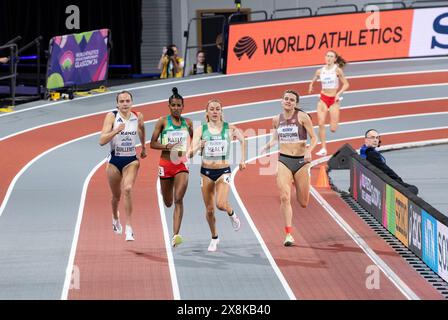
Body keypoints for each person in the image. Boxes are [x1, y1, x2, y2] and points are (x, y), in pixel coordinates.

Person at [260, 90, 317, 246]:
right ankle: (288, 235)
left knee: (303, 202)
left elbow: (314, 138)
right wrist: (266, 146)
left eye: (292, 100)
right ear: (281, 101)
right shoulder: (276, 119)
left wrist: (308, 151)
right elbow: (275, 138)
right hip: (284, 160)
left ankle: (303, 181)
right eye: (286, 99)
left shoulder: (302, 117)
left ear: (296, 103)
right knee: (285, 196)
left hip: (301, 162)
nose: (288, 101)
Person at [188, 99, 246, 252]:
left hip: (223, 171)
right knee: (209, 210)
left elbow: (242, 139)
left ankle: (232, 213)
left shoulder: (229, 128)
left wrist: (242, 160)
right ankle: (214, 237)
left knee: (220, 204)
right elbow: (189, 153)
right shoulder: (201, 130)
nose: (214, 111)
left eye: (217, 109)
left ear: (221, 111)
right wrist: (198, 147)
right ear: (206, 112)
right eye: (211, 109)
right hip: (206, 172)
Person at [99, 91, 147, 241]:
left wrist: (144, 147)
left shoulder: (137, 116)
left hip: (131, 159)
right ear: (117, 104)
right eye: (122, 101)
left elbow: (141, 131)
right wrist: (116, 130)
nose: (125, 103)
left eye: (127, 101)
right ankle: (115, 218)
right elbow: (101, 141)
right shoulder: (112, 116)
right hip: (114, 160)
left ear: (132, 102)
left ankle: (129, 228)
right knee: (116, 196)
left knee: (127, 189)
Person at [150, 87, 193, 247]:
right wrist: (167, 146)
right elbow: (152, 143)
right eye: (173, 105)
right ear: (169, 106)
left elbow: (195, 141)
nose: (176, 108)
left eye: (179, 105)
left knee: (178, 199)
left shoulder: (188, 123)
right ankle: (166, 197)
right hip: (165, 164)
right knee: (168, 202)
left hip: (181, 163)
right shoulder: (162, 121)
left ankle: (176, 235)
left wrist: (197, 147)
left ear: (183, 106)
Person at [309, 50, 349, 156]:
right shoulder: (319, 71)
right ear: (325, 57)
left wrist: (338, 94)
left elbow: (346, 84)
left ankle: (334, 123)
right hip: (323, 98)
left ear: (335, 59)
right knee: (321, 123)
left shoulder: (337, 70)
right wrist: (311, 85)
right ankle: (323, 148)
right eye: (327, 56)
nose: (329, 58)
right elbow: (315, 78)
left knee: (333, 129)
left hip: (334, 100)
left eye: (331, 56)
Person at [360, 129, 419, 195]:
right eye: (372, 137)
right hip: (384, 184)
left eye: (377, 138)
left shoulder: (363, 152)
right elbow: (385, 170)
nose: (375, 140)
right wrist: (398, 179)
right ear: (366, 140)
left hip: (375, 181)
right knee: (414, 188)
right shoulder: (372, 154)